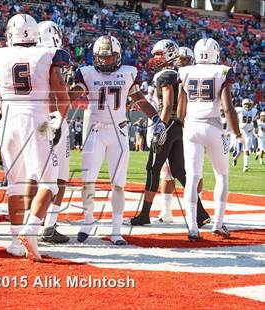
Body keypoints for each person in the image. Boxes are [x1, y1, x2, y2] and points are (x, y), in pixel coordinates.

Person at [0, 14, 70, 260]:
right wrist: (59, 119)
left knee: (15, 187)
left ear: (11, 33)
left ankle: (14, 241)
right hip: (37, 120)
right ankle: (31, 230)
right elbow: (61, 94)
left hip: (8, 122)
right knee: (49, 182)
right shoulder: (48, 53)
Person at [68, 35, 166, 245]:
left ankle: (116, 230)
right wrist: (60, 97)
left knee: (118, 184)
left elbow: (139, 99)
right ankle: (87, 222)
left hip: (118, 132)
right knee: (87, 181)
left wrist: (156, 118)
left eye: (109, 57)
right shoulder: (86, 73)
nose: (104, 62)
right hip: (94, 131)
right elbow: (73, 94)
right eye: (101, 58)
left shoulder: (128, 73)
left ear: (118, 57)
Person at [129, 39, 210, 230]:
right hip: (179, 126)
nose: (155, 58)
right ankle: (200, 213)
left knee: (153, 168)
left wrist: (160, 127)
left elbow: (167, 104)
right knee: (180, 171)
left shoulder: (165, 75)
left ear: (169, 54)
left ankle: (144, 214)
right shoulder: (179, 73)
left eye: (158, 54)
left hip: (169, 125)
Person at [178, 38, 242, 240]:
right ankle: (218, 224)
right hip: (213, 125)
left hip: (191, 126)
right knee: (222, 175)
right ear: (215, 53)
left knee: (192, 177)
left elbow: (180, 110)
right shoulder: (222, 71)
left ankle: (192, 228)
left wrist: (186, 125)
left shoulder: (185, 71)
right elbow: (226, 106)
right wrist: (237, 133)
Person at [35, 20, 71, 244]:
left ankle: (27, 221)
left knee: (32, 175)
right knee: (58, 177)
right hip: (50, 119)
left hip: (29, 118)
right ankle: (48, 225)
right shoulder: (53, 57)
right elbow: (58, 89)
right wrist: (60, 118)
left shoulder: (24, 56)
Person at [234, 98, 258, 172]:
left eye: (249, 104)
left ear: (251, 105)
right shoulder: (239, 110)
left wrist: (256, 128)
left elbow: (254, 120)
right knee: (239, 151)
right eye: (246, 104)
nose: (247, 106)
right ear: (243, 104)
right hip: (241, 132)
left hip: (248, 133)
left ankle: (245, 166)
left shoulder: (254, 111)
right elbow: (230, 112)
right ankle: (235, 159)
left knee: (246, 150)